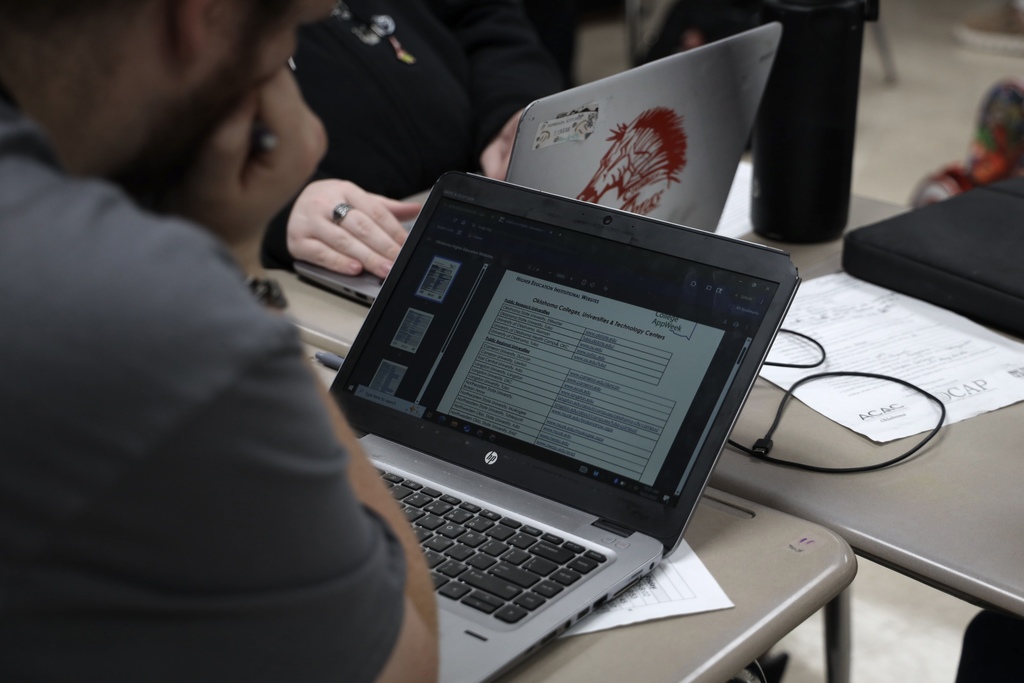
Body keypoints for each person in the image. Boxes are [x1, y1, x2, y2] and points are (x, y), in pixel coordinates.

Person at [0, 1, 437, 681]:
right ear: (195, 17)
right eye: (291, 33)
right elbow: (405, 658)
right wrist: (231, 264)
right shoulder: (148, 314)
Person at [260, 0, 564, 279]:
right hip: (332, 256)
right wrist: (279, 204)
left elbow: (483, 15)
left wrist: (509, 110)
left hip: (481, 204)